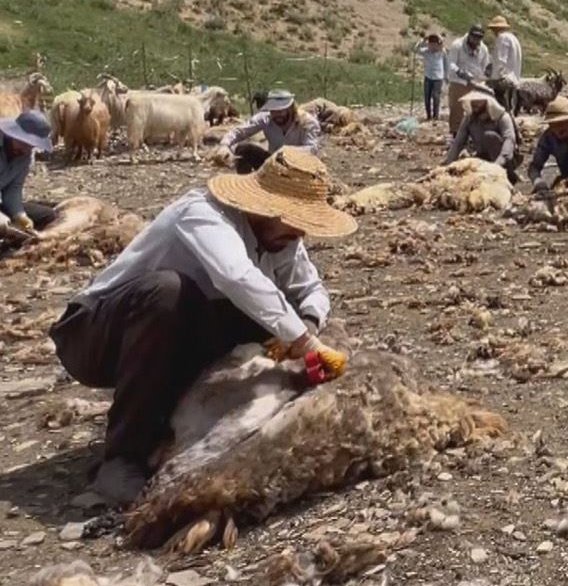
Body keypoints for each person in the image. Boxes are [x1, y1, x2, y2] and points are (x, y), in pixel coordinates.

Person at [48, 148, 356, 505]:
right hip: (94, 336)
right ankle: (121, 459)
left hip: (176, 334)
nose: (300, 232)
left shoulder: (282, 238)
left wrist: (309, 321)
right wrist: (305, 344)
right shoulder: (203, 213)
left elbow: (311, 289)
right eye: (295, 220)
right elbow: (235, 276)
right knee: (168, 291)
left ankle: (180, 422)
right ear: (266, 207)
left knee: (264, 316)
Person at [219, 89, 322, 173]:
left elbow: (311, 149)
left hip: (300, 168)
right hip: (272, 164)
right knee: (243, 149)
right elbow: (240, 131)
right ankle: (244, 184)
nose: (277, 115)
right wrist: (224, 145)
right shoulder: (266, 119)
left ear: (290, 109)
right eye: (274, 111)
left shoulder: (307, 123)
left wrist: (286, 153)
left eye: (281, 111)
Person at [445, 86, 521, 183]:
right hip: (482, 156)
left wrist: (497, 164)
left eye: (478, 100)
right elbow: (458, 142)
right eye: (473, 100)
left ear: (487, 102)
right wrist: (448, 163)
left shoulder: (502, 117)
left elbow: (509, 141)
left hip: (504, 159)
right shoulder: (469, 118)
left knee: (490, 136)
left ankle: (508, 175)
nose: (474, 103)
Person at [0, 110, 57, 236]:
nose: (26, 150)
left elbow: (14, 188)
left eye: (31, 146)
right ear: (14, 133)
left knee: (48, 215)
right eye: (24, 143)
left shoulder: (25, 156)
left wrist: (19, 215)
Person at [446, 25, 491, 134]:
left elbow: (485, 66)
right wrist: (460, 72)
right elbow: (451, 63)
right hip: (458, 81)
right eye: (474, 37)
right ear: (470, 35)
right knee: (457, 109)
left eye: (479, 38)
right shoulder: (458, 45)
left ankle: (473, 133)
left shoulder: (483, 49)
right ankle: (455, 133)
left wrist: (487, 73)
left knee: (476, 109)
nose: (476, 40)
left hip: (475, 82)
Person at [486, 15, 523, 113]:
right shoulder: (513, 38)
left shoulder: (502, 38)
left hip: (504, 79)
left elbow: (501, 60)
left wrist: (495, 79)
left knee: (500, 109)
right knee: (508, 108)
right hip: (513, 79)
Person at [416, 33, 447, 121]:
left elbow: (443, 43)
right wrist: (423, 40)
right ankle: (428, 116)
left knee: (436, 96)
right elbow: (416, 49)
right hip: (428, 77)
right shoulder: (426, 51)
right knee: (427, 97)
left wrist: (438, 36)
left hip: (438, 78)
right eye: (431, 43)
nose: (433, 46)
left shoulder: (441, 51)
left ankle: (436, 116)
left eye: (435, 44)